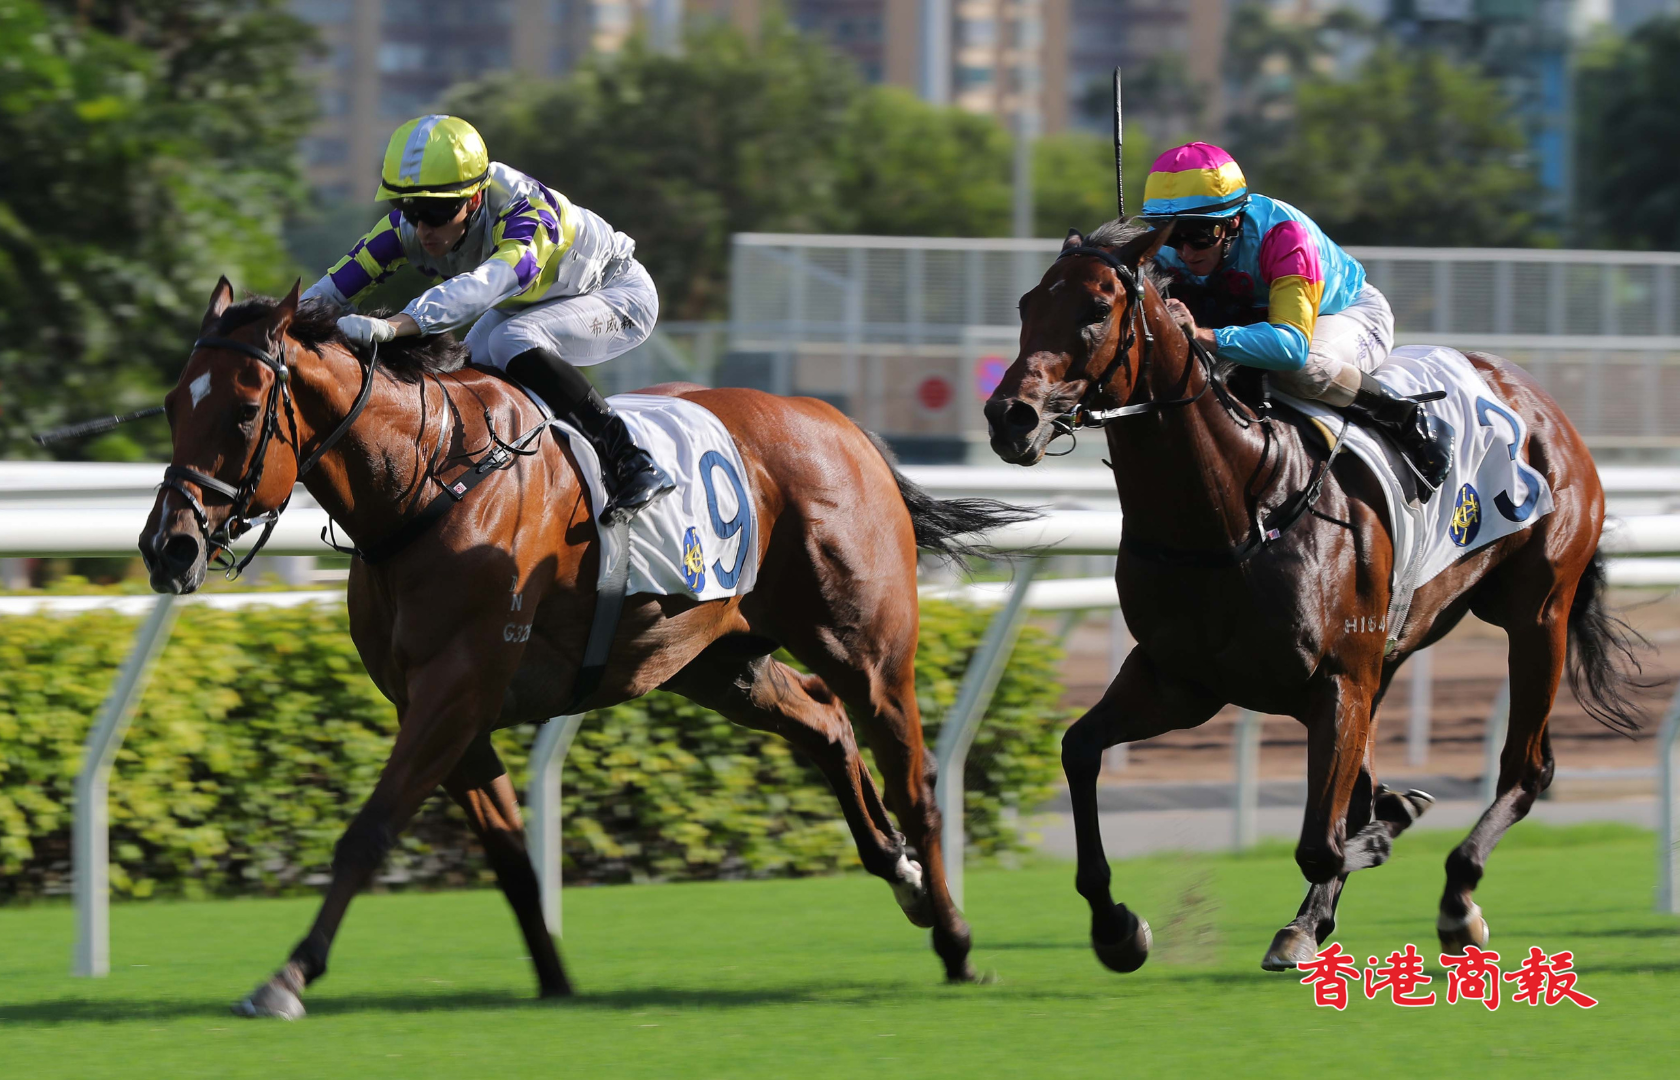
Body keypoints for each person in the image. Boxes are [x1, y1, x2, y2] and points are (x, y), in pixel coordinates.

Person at [301, 114, 674, 525]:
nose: (422, 228)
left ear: (475, 199)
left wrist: (396, 325)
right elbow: (331, 290)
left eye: (435, 211)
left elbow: (490, 284)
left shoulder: (526, 210)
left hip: (617, 294)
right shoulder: (408, 229)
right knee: (464, 374)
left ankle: (631, 461)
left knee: (511, 340)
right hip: (528, 304)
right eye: (408, 209)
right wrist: (276, 325)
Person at [1140, 142, 1452, 497]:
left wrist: (1201, 334)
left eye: (1199, 236)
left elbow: (1290, 348)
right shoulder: (1165, 251)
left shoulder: (1284, 236)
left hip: (1344, 314)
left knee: (1301, 369)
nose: (1185, 252)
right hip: (1255, 320)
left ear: (1234, 221)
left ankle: (1405, 418)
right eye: (1171, 236)